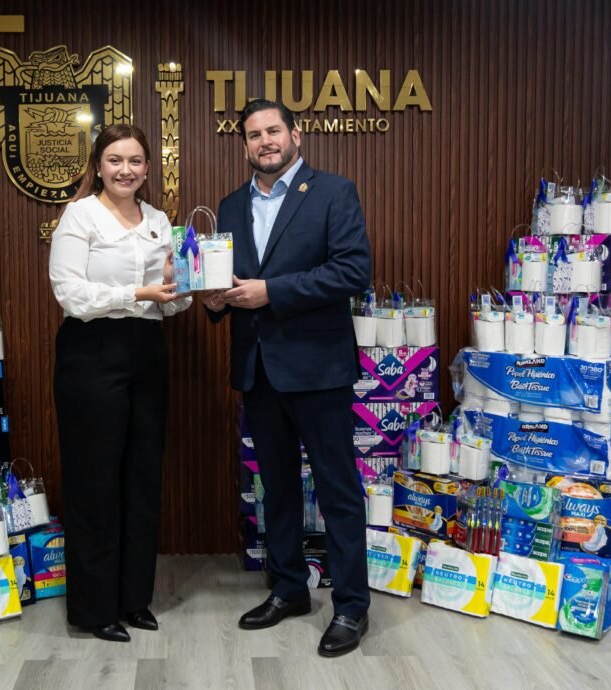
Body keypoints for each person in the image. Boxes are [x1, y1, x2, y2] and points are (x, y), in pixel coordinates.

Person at [204, 99, 372, 657]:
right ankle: (289, 589)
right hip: (258, 369)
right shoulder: (231, 205)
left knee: (337, 490)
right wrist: (214, 300)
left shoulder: (333, 192)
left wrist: (271, 292)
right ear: (245, 146)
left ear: (295, 135)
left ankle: (350, 606)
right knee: (275, 489)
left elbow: (352, 271)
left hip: (319, 369)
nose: (265, 142)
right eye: (254, 135)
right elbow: (226, 283)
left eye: (273, 130)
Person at [49, 124, 191, 642]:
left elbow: (170, 304)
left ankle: (134, 600)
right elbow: (69, 293)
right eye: (114, 160)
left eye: (134, 161)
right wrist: (138, 293)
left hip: (147, 351)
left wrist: (185, 286)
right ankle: (94, 608)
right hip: (92, 352)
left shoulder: (158, 220)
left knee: (142, 477)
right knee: (94, 481)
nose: (125, 170)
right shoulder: (79, 215)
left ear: (148, 168)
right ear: (99, 165)